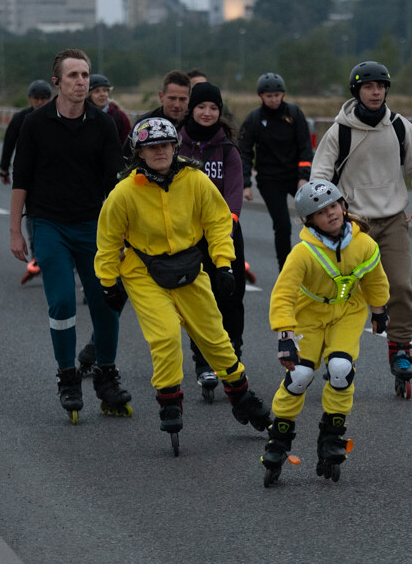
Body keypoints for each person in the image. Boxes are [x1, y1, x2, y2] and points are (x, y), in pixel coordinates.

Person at [96, 117, 271, 451]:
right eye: (151, 147)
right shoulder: (123, 193)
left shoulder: (196, 180)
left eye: (165, 145)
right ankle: (170, 400)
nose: (160, 152)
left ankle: (241, 396)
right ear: (139, 153)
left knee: (214, 337)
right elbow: (108, 239)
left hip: (190, 266)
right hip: (143, 271)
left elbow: (219, 222)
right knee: (164, 336)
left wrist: (223, 264)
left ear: (176, 147)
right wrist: (108, 282)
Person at [9, 49, 132, 422]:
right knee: (62, 302)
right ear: (57, 83)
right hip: (49, 225)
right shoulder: (36, 124)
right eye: (74, 75)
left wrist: (127, 231)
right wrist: (15, 230)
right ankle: (67, 376)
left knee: (106, 301)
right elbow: (21, 181)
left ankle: (106, 376)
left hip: (94, 225)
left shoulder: (102, 124)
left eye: (86, 75)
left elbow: (118, 181)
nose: (82, 81)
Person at [310, 60, 412, 397]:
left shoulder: (401, 127)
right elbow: (319, 177)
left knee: (400, 286)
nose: (376, 92)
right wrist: (328, 215)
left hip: (393, 219)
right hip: (352, 224)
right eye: (369, 87)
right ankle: (338, 352)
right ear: (357, 91)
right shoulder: (340, 131)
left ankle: (401, 350)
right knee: (342, 292)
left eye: (381, 86)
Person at [260, 179, 389, 486]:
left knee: (342, 369)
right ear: (309, 221)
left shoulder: (364, 244)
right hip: (309, 315)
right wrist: (284, 335)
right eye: (321, 212)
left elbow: (375, 279)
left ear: (343, 206)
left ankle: (332, 433)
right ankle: (279, 436)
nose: (331, 214)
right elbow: (284, 294)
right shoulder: (303, 252)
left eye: (334, 205)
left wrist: (380, 310)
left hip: (347, 312)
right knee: (300, 376)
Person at [176, 81, 246, 401]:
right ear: (192, 108)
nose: (207, 113)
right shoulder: (175, 143)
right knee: (200, 300)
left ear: (220, 113)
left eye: (213, 108)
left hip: (224, 233)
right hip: (188, 236)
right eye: (202, 107)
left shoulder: (228, 150)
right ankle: (203, 361)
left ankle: (232, 354)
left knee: (230, 296)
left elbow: (233, 196)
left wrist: (224, 234)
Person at [238, 72, 314, 269]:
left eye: (277, 95)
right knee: (282, 225)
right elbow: (244, 151)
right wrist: (246, 184)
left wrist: (303, 177)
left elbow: (305, 146)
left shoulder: (294, 114)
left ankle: (319, 263)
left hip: (295, 175)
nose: (273, 99)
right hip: (269, 179)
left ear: (283, 95)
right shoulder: (254, 119)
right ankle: (286, 269)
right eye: (269, 96)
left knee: (316, 216)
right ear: (261, 97)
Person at [0, 78, 53, 285]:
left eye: (44, 98)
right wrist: (3, 168)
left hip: (51, 174)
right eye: (36, 98)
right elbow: (9, 143)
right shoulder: (21, 118)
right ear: (30, 98)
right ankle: (38, 253)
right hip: (29, 175)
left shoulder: (55, 116)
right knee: (33, 215)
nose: (39, 102)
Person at [89, 73, 132, 146]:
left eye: (105, 90)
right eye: (97, 91)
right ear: (89, 95)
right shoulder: (82, 115)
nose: (102, 94)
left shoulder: (119, 116)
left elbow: (127, 143)